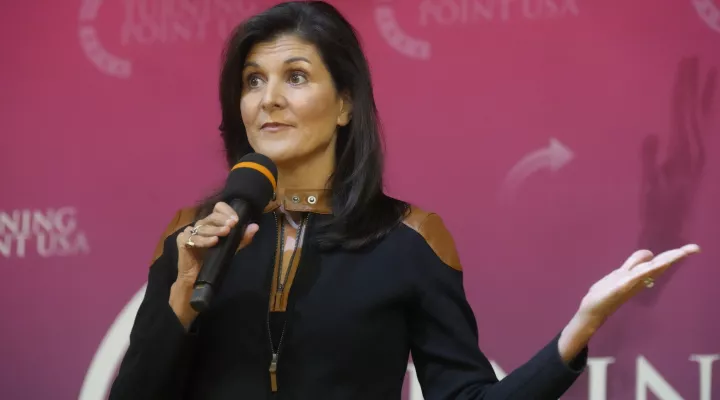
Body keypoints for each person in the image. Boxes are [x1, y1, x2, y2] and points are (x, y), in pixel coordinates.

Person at [108, 1, 700, 399]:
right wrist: (180, 302)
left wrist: (580, 328)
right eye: (252, 81)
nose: (269, 100)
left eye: (295, 76)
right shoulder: (196, 235)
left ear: (344, 104)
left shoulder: (408, 239)